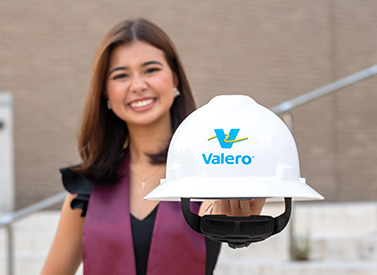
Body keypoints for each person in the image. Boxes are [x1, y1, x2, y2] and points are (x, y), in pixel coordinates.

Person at [41, 18, 266, 275]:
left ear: (175, 79)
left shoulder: (210, 169)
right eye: (121, 75)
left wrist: (238, 220)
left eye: (150, 70)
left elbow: (227, 218)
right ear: (105, 92)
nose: (138, 86)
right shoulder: (85, 192)